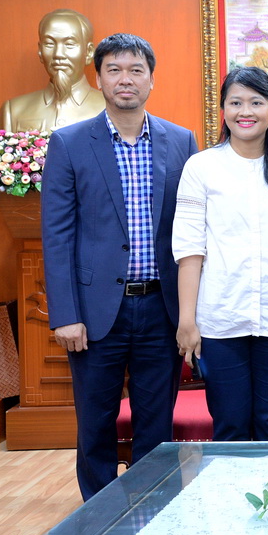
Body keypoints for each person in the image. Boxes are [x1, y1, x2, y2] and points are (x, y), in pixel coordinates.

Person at [41, 33, 197, 500]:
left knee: (156, 423)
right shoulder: (69, 143)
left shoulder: (180, 140)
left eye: (135, 70)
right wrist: (66, 314)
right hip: (95, 312)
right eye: (114, 70)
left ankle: (152, 511)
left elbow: (192, 230)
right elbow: (57, 235)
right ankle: (100, 518)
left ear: (151, 79)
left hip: (161, 308)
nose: (125, 79)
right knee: (95, 424)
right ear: (98, 79)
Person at [172, 67, 268, 441]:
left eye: (256, 102)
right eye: (235, 103)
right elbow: (189, 250)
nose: (245, 112)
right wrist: (187, 320)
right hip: (220, 318)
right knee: (229, 425)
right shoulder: (202, 167)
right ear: (223, 110)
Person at [0, 9, 106, 133]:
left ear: (89, 52)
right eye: (49, 44)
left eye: (69, 44)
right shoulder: (14, 111)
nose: (58, 54)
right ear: (40, 51)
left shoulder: (111, 109)